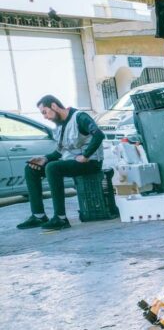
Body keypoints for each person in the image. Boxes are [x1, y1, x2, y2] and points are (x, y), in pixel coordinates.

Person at [17, 95, 104, 231]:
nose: (45, 117)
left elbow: (99, 135)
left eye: (45, 112)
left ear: (54, 106)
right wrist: (45, 158)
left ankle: (61, 218)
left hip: (91, 163)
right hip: (71, 162)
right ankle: (38, 216)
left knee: (53, 168)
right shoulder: (59, 126)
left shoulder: (79, 117)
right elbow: (59, 152)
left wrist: (86, 155)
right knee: (31, 169)